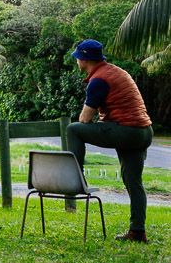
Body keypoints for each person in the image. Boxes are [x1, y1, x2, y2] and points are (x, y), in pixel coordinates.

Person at [66, 39, 153, 243]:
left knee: (73, 129)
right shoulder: (116, 71)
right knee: (133, 181)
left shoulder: (99, 80)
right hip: (143, 132)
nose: (76, 61)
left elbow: (84, 119)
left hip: (127, 131)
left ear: (85, 59)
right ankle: (137, 232)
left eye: (78, 57)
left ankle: (75, 179)